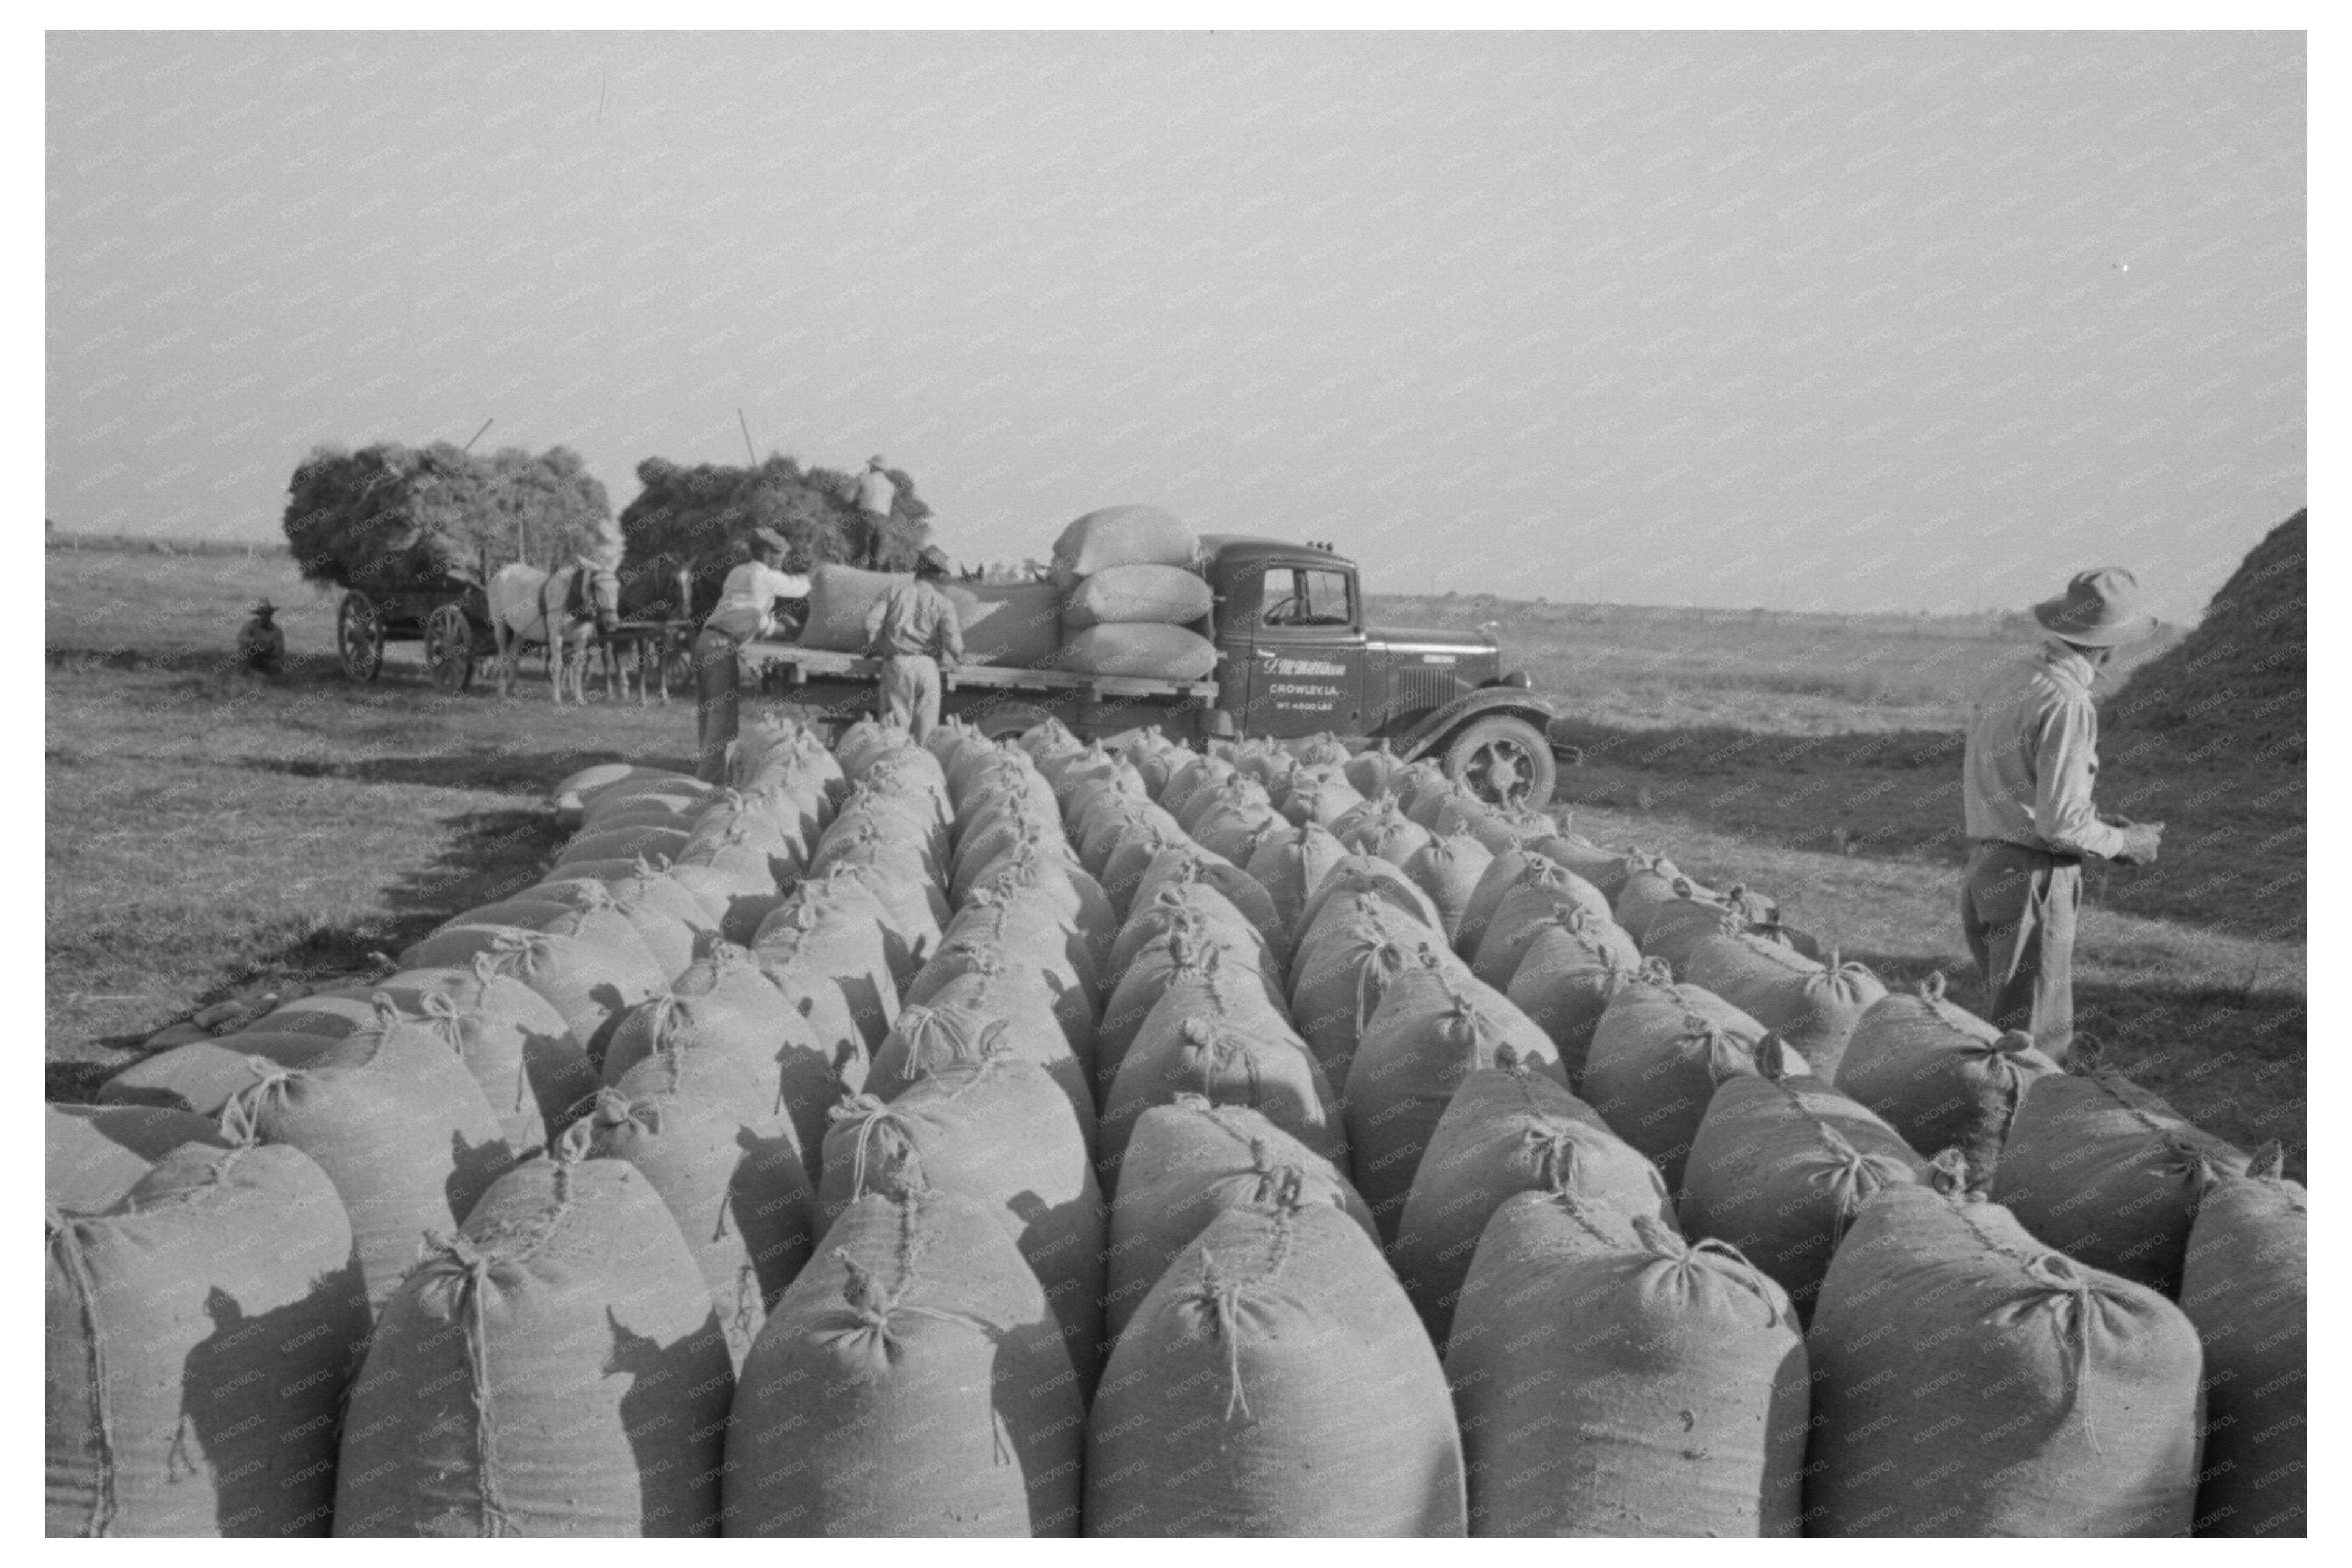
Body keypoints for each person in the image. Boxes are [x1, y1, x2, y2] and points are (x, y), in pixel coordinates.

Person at [1959, 567, 2165, 1060]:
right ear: (2110, 645)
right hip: (2035, 878)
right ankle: (2034, 1133)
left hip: (1989, 868)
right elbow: (2060, 824)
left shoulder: (2014, 677)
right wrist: (2125, 843)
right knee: (2035, 1044)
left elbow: (2035, 796)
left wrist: (2093, 822)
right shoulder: (2068, 701)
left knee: (2006, 1027)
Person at [692, 528, 811, 783]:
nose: (782, 561)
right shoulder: (763, 575)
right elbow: (800, 588)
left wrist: (778, 625)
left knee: (709, 714)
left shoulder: (739, 571)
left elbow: (748, 612)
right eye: (779, 555)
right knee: (723, 721)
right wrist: (816, 574)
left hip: (705, 641)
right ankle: (708, 786)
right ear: (766, 554)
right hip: (722, 643)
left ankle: (708, 778)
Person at [862, 545, 962, 743]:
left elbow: (870, 624)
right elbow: (952, 640)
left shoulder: (892, 592)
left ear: (917, 567)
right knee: (926, 732)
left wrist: (871, 646)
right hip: (927, 668)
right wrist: (961, 656)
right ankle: (921, 768)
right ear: (939, 576)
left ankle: (896, 765)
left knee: (894, 731)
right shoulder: (944, 603)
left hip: (898, 665)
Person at [852, 455, 897, 569]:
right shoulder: (890, 486)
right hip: (883, 520)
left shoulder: (864, 478)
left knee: (861, 546)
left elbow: (850, 497)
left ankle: (853, 570)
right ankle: (873, 572)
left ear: (872, 466)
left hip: (867, 515)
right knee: (875, 550)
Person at [236, 598, 284, 675]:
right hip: (252, 657)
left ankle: (270, 681)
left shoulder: (277, 631)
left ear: (271, 614)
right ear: (259, 615)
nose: (265, 616)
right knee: (243, 649)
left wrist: (269, 648)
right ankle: (242, 677)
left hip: (267, 659)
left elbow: (280, 652)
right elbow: (240, 638)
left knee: (277, 664)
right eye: (263, 613)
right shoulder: (251, 626)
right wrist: (255, 642)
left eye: (268, 613)